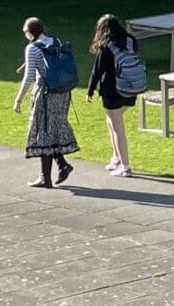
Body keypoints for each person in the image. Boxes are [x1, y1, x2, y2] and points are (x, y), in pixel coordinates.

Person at [11, 15, 79, 188]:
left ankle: (45, 178)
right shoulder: (54, 41)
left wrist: (18, 100)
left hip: (45, 93)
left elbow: (29, 78)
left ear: (30, 32)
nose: (25, 35)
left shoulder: (32, 48)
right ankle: (62, 165)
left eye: (25, 32)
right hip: (62, 93)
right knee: (54, 128)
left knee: (43, 132)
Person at [86, 13, 145, 178]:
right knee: (111, 122)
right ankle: (116, 158)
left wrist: (90, 91)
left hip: (112, 91)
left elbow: (97, 71)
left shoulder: (106, 47)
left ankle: (125, 166)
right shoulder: (130, 40)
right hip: (130, 88)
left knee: (118, 127)